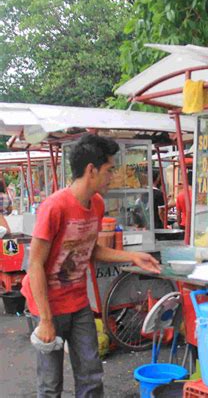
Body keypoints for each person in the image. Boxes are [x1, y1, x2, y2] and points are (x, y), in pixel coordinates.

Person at [21, 134, 161, 398]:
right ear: (91, 170)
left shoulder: (96, 204)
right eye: (109, 170)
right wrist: (47, 320)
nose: (113, 176)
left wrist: (132, 257)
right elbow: (35, 264)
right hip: (47, 305)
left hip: (77, 303)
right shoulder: (54, 207)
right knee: (50, 384)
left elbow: (90, 249)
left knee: (91, 376)